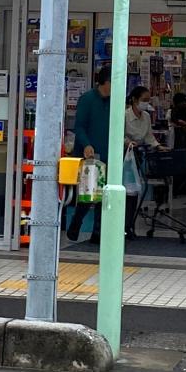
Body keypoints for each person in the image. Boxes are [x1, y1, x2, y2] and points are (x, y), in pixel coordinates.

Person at [67, 66, 111, 244]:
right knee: (89, 193)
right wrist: (86, 144)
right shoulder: (87, 99)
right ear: (106, 82)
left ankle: (98, 232)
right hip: (91, 155)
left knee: (105, 194)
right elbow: (79, 126)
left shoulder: (115, 101)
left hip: (109, 154)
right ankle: (76, 222)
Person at [124, 86, 159, 238]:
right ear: (134, 99)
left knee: (134, 191)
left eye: (148, 100)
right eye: (144, 100)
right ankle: (125, 226)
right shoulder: (124, 116)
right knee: (126, 191)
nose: (146, 103)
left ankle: (129, 225)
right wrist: (127, 142)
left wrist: (158, 146)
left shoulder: (146, 117)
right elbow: (118, 134)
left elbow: (149, 137)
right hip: (125, 157)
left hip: (137, 156)